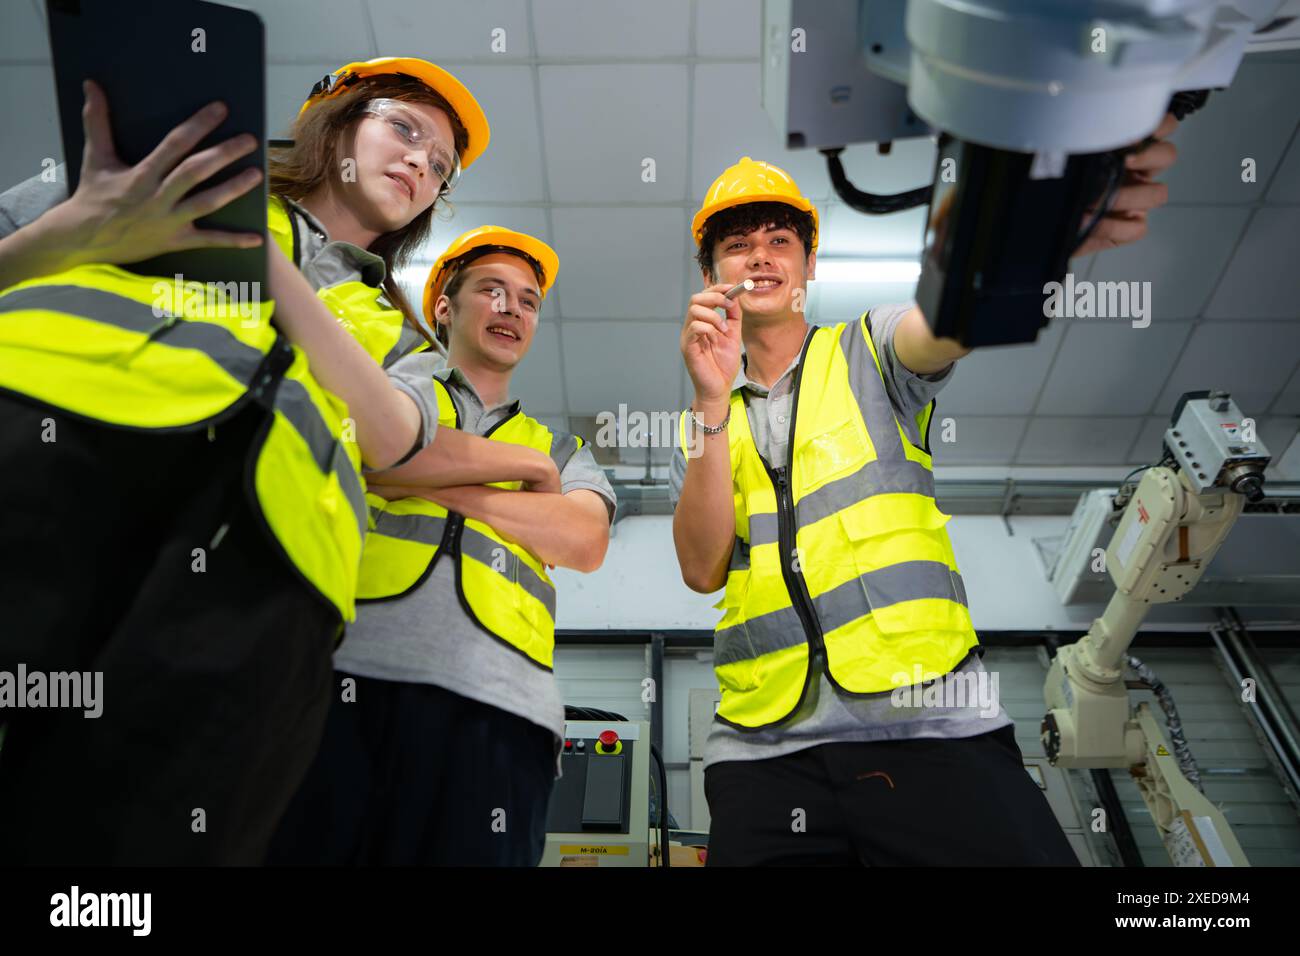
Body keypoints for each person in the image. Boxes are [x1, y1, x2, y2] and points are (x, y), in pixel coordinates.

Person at [0, 57, 506, 865]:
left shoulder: (406, 333)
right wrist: (75, 231)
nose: (422, 162)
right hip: (48, 471)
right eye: (404, 129)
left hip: (264, 588)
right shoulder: (151, 172)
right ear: (332, 124)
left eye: (441, 165)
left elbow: (395, 438)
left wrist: (260, 264)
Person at [671, 116, 1180, 866]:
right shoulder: (707, 413)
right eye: (738, 244)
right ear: (712, 273)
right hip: (762, 755)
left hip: (929, 728)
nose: (760, 256)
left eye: (780, 239)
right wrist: (710, 403)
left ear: (811, 263)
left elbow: (947, 320)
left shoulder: (870, 348)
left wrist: (1020, 231)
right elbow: (701, 566)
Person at [269, 226, 617, 866]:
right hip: (347, 678)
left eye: (529, 300)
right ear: (443, 308)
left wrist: (440, 480)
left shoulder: (565, 450)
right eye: (492, 290)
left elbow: (583, 538)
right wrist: (524, 478)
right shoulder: (395, 395)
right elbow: (374, 455)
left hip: (504, 708)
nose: (512, 309)